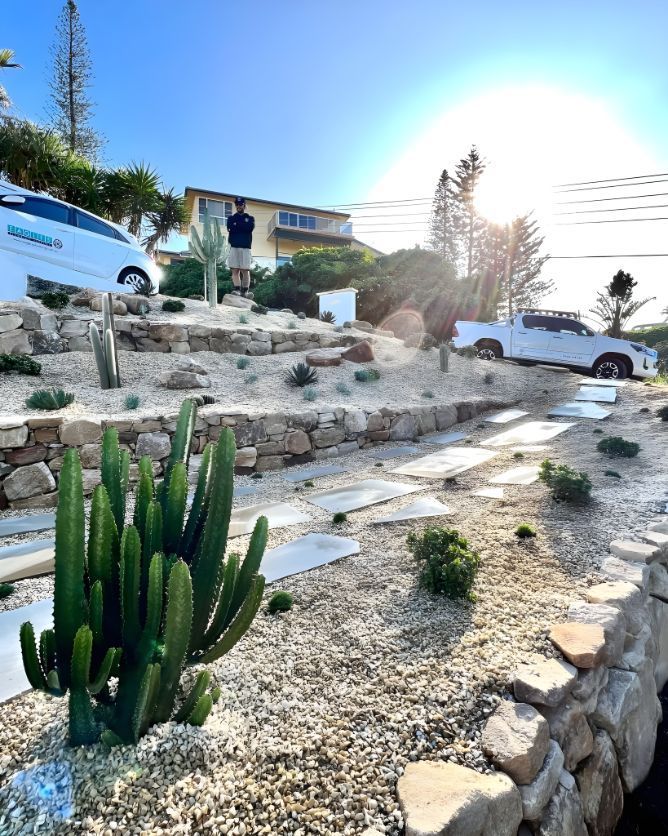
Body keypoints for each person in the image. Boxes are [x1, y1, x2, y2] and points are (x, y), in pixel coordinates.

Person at [226, 197, 255, 297]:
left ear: (244, 205)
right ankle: (237, 290)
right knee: (235, 270)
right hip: (233, 246)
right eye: (237, 204)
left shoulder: (250, 218)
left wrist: (237, 225)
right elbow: (230, 228)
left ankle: (245, 291)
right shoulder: (231, 218)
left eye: (241, 204)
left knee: (245, 270)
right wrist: (242, 225)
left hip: (245, 247)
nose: (238, 206)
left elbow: (249, 228)